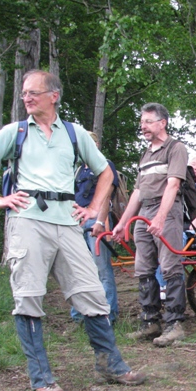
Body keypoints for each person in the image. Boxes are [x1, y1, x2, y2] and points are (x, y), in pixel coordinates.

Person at [0, 70, 145, 391]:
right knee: (29, 296)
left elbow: (106, 171)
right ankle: (41, 378)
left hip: (68, 223)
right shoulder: (15, 132)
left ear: (54, 96)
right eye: (24, 94)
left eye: (34, 92)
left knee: (92, 294)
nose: (27, 98)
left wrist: (93, 207)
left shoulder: (75, 134)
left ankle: (110, 365)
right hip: (27, 221)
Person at [111, 103, 188, 347]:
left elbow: (173, 185)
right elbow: (137, 191)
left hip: (166, 210)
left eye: (147, 121)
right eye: (142, 122)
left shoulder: (175, 148)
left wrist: (161, 217)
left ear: (162, 123)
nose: (142, 126)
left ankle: (175, 324)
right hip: (144, 212)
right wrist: (123, 223)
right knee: (143, 268)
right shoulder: (145, 154)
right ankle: (150, 322)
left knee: (170, 266)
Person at [70, 131, 120, 325]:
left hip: (95, 221)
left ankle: (108, 315)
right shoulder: (77, 169)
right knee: (77, 271)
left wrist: (100, 221)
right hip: (76, 222)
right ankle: (79, 316)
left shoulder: (105, 165)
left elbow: (107, 196)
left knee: (102, 271)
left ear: (96, 145)